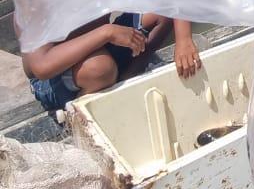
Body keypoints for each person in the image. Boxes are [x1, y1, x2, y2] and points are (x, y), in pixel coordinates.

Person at [21, 12, 202, 115]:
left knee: (162, 13)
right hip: (54, 75)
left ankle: (128, 79)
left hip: (101, 44)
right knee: (101, 68)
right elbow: (42, 67)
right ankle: (79, 114)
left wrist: (183, 38)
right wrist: (107, 32)